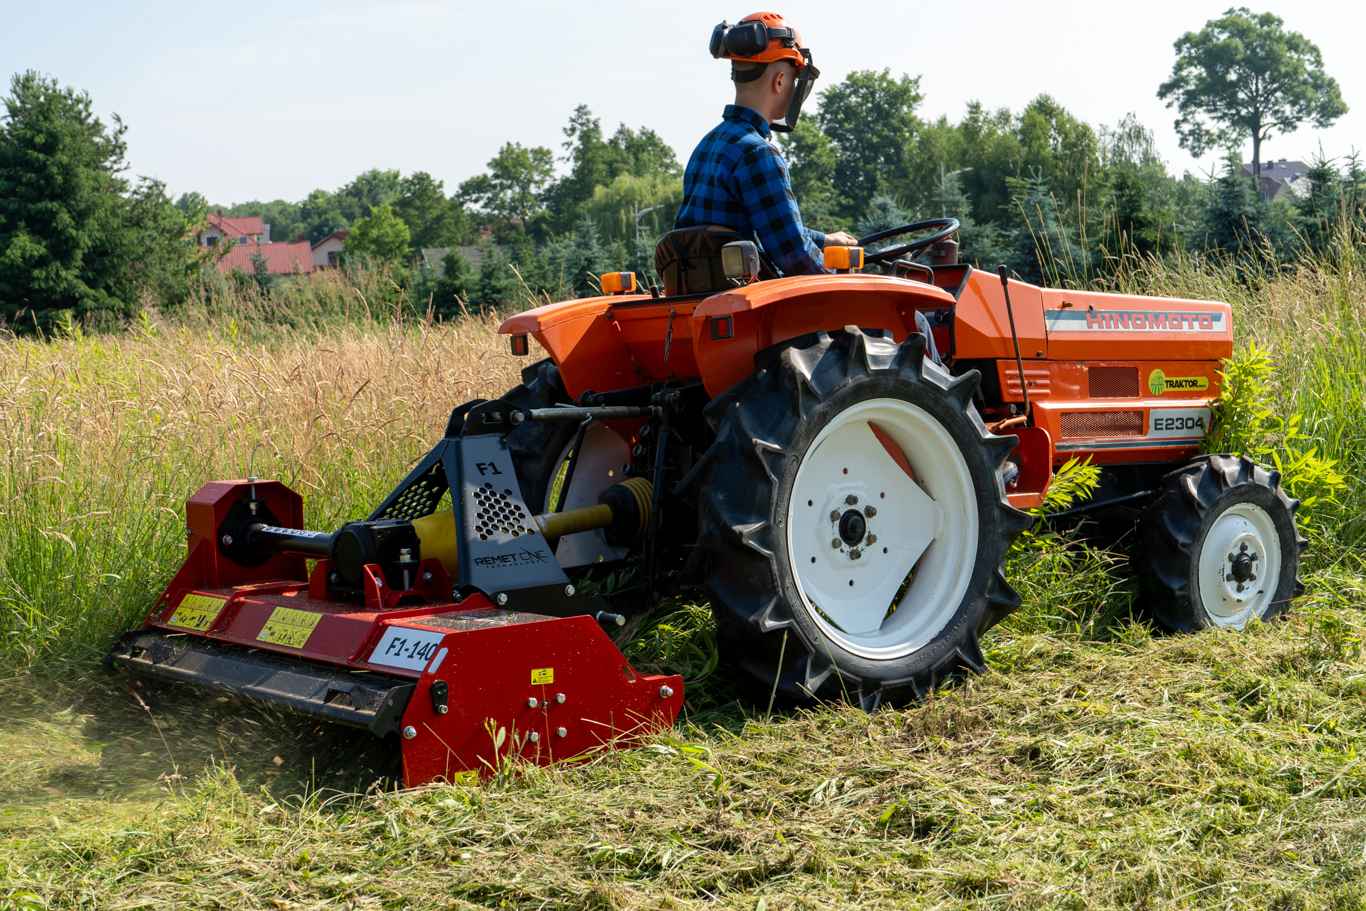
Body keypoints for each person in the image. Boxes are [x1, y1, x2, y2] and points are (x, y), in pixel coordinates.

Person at [674, 12, 856, 276]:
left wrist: (825, 240)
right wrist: (848, 279)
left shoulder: (708, 146)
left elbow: (768, 225)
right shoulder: (758, 152)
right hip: (752, 309)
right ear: (780, 81)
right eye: (794, 80)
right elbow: (794, 255)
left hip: (710, 299)